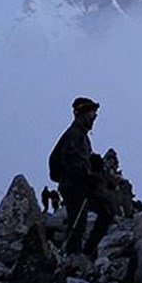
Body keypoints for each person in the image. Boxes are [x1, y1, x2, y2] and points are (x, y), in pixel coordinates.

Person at [49, 96, 114, 258]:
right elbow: (70, 162)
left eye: (95, 115)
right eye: (92, 114)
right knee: (78, 222)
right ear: (82, 114)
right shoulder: (74, 135)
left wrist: (93, 163)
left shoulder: (81, 136)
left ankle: (84, 253)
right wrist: (87, 176)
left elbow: (79, 160)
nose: (94, 118)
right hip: (73, 186)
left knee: (106, 211)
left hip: (79, 185)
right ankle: (73, 257)